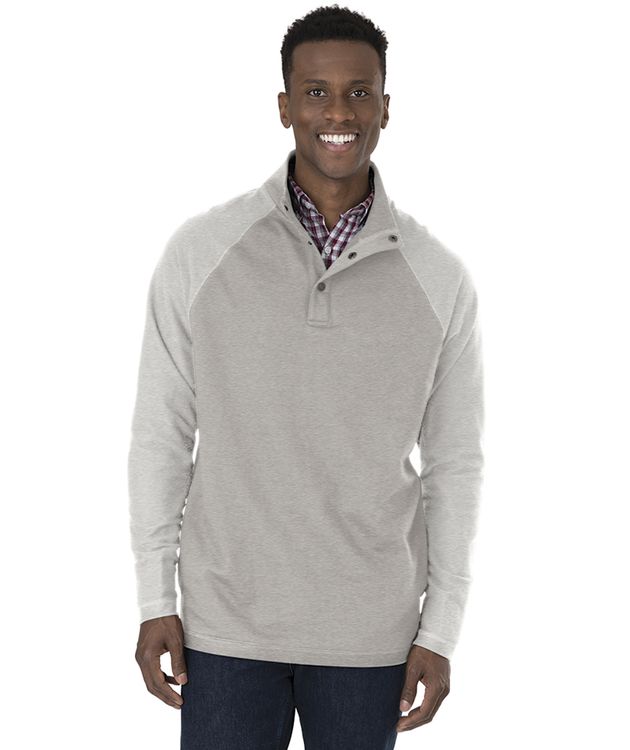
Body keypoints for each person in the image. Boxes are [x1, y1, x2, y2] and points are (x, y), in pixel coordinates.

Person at [128, 5, 484, 748]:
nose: (339, 113)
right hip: (224, 628)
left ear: (386, 106)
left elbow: (455, 464)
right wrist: (155, 596)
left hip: (372, 635)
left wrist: (441, 628)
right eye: (316, 92)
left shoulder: (439, 278)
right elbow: (162, 434)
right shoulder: (201, 253)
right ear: (285, 106)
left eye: (359, 92)